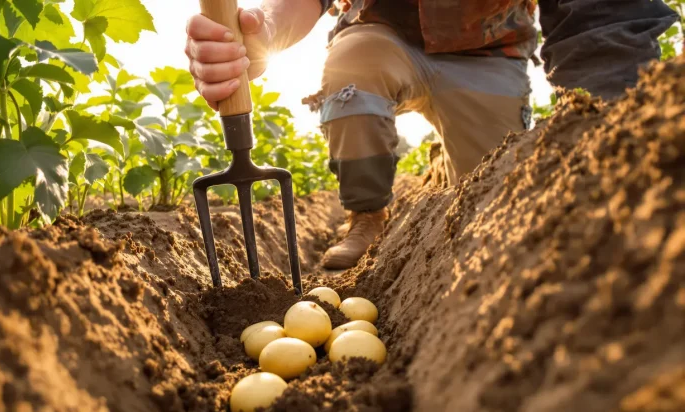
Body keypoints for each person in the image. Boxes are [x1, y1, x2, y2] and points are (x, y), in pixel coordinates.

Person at [185, 0, 678, 270]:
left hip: (488, 52)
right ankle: (367, 214)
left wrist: (614, 137)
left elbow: (600, 12)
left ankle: (448, 162)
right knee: (351, 70)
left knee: (490, 199)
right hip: (383, 35)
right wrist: (261, 32)